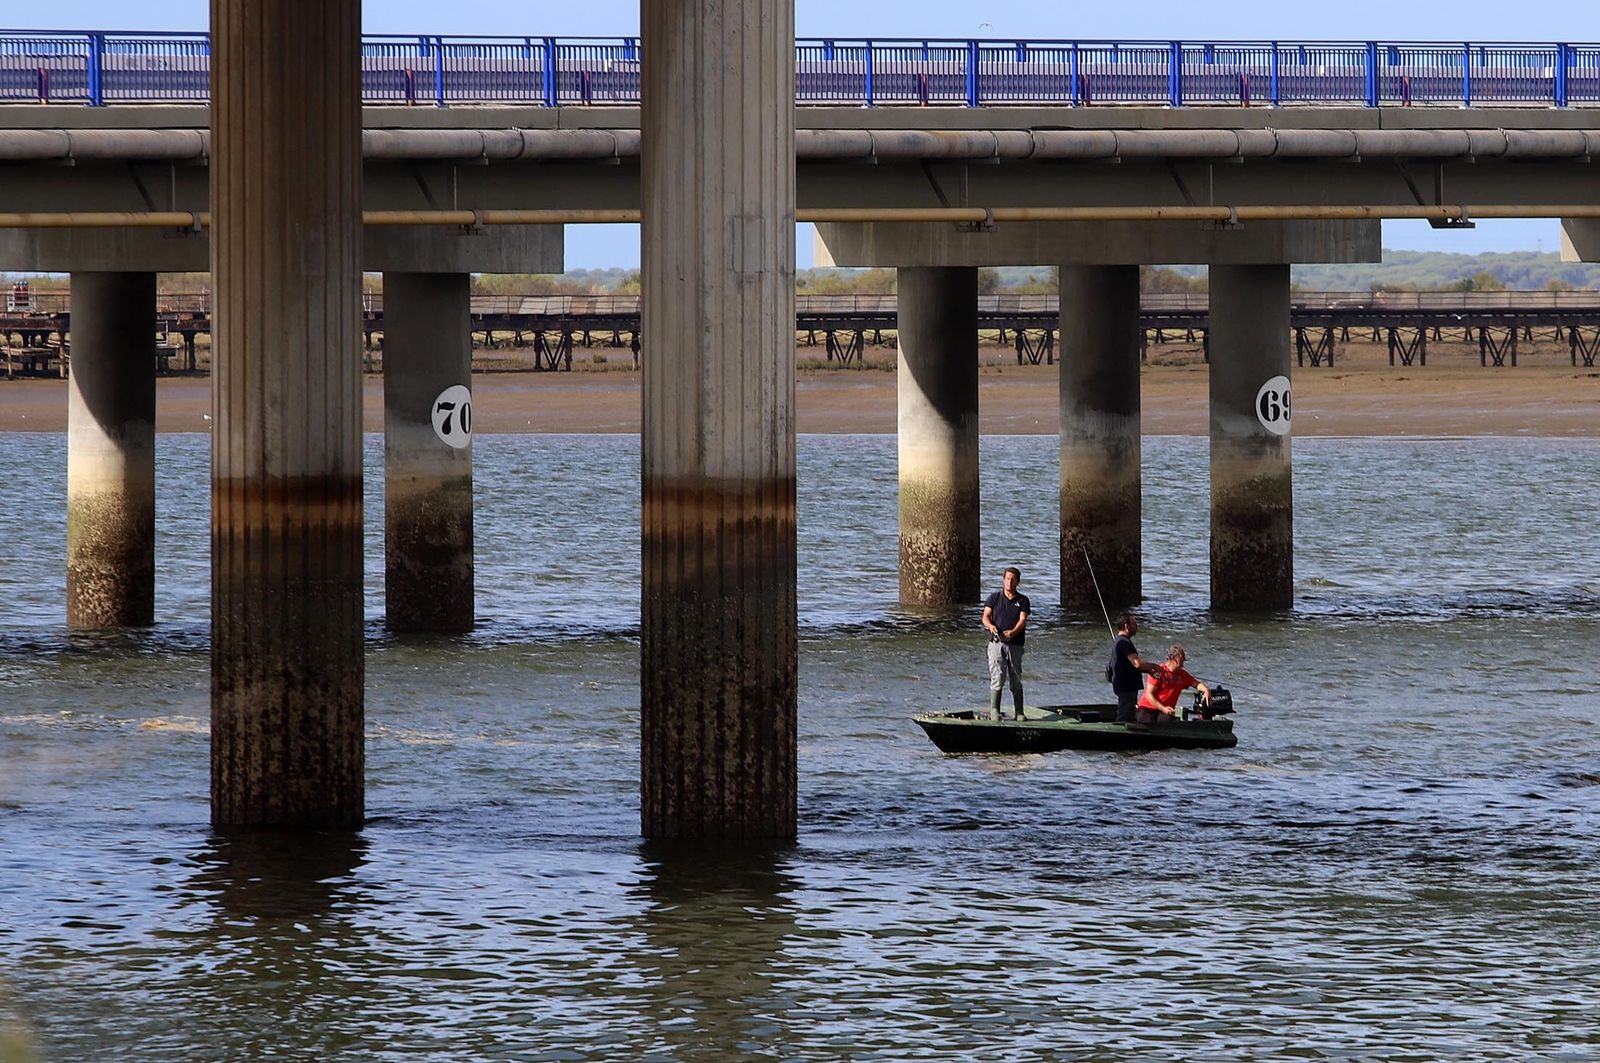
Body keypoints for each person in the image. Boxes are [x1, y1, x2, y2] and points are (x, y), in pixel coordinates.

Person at [982, 567, 1030, 720]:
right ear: (1003, 580)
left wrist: (1013, 632)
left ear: (1018, 581)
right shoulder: (994, 598)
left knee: (1016, 678)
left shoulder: (1023, 600)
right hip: (996, 644)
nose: (1009, 582)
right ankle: (994, 710)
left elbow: (1023, 619)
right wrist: (990, 626)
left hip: (1015, 645)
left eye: (1013, 579)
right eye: (1007, 578)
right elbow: (985, 616)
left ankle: (1019, 712)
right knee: (998, 677)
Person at [1135, 644, 1212, 725]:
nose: (1184, 660)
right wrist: (1163, 708)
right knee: (1146, 723)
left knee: (1167, 724)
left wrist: (1206, 690)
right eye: (1182, 657)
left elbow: (1196, 684)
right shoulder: (1159, 671)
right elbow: (1149, 695)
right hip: (1148, 708)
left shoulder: (1182, 675)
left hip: (1165, 711)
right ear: (1173, 658)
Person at [1108, 613, 1161, 724]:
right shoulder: (1124, 642)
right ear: (1127, 626)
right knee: (1125, 717)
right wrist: (1155, 667)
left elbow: (1130, 664)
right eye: (1134, 624)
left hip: (1123, 684)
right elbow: (1137, 663)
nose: (1136, 626)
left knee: (1129, 713)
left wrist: (1147, 670)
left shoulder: (1121, 641)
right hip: (1126, 685)